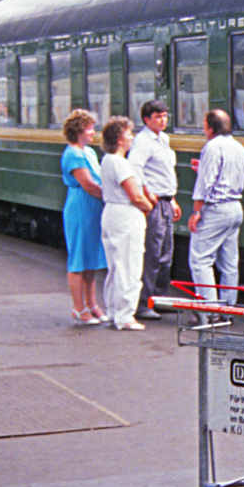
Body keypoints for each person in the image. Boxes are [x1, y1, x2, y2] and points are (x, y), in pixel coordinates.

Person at [98, 116, 156, 331]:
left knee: (115, 266)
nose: (132, 137)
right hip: (126, 216)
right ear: (120, 139)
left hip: (111, 213)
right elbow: (135, 196)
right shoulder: (121, 163)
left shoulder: (107, 160)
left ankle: (113, 311)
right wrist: (149, 207)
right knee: (130, 267)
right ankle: (125, 316)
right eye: (129, 134)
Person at [188, 109, 244, 309]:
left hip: (215, 209)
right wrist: (203, 167)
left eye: (204, 124)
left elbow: (205, 184)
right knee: (229, 263)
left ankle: (210, 311)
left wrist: (196, 211)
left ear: (210, 127)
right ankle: (228, 310)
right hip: (235, 208)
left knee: (200, 260)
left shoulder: (212, 147)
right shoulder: (239, 147)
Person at [128, 100, 181, 321]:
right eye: (158, 116)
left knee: (165, 254)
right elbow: (134, 168)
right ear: (146, 119)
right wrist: (147, 193)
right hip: (155, 203)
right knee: (152, 254)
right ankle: (143, 303)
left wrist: (173, 199)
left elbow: (166, 172)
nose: (163, 120)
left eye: (165, 116)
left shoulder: (163, 140)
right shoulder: (143, 141)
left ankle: (158, 298)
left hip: (166, 202)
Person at [60, 109, 108, 326]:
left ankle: (92, 304)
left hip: (92, 208)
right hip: (80, 207)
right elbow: (88, 185)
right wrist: (114, 196)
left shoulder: (87, 152)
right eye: (90, 128)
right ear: (79, 130)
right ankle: (78, 308)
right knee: (78, 259)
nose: (93, 132)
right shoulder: (74, 154)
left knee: (90, 258)